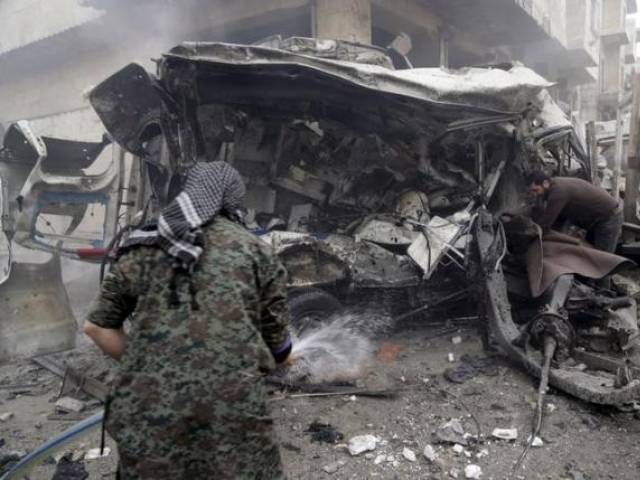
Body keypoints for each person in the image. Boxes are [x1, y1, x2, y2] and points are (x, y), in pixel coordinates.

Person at [83, 161, 292, 479]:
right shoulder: (259, 253)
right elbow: (278, 350)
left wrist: (152, 363)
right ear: (233, 200)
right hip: (233, 421)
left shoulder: (143, 244)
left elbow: (96, 327)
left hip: (149, 417)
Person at [526, 170, 623, 253]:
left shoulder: (558, 191)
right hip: (596, 221)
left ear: (545, 183)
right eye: (531, 191)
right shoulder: (555, 186)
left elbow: (546, 224)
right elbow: (558, 220)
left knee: (601, 260)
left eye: (536, 190)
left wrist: (529, 236)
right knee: (590, 256)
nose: (535, 195)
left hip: (608, 219)